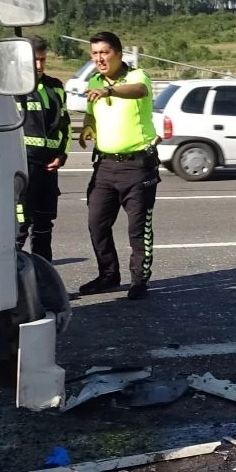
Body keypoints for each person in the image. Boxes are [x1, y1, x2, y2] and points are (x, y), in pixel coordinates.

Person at [76, 31, 158, 300]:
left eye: (104, 53)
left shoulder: (136, 77)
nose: (99, 58)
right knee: (96, 223)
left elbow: (139, 91)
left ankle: (139, 281)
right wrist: (88, 126)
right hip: (105, 167)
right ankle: (109, 275)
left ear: (119, 54)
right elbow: (92, 110)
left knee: (138, 229)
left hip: (137, 167)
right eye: (95, 54)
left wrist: (109, 90)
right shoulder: (94, 81)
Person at [15, 36, 69, 262]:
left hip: (48, 171)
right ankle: (13, 289)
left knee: (44, 230)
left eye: (43, 60)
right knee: (18, 229)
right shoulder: (11, 88)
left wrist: (61, 156)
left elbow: (64, 127)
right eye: (34, 60)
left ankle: (43, 284)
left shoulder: (55, 87)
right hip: (22, 170)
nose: (39, 66)